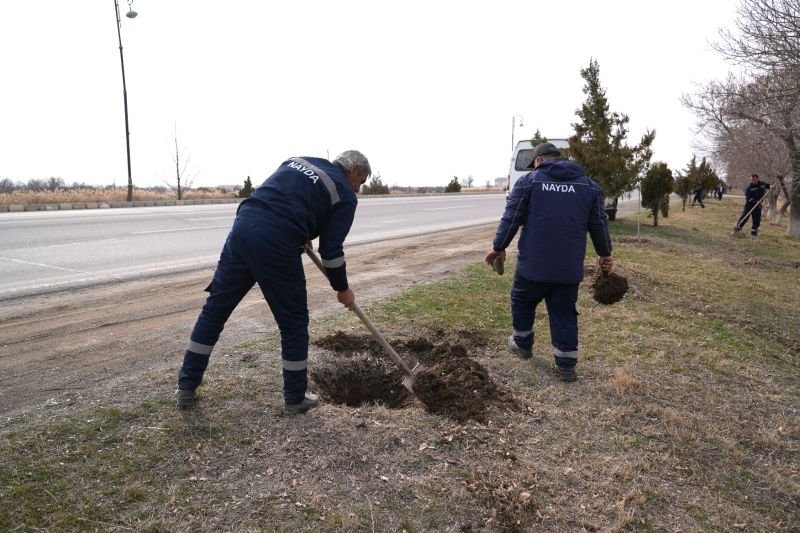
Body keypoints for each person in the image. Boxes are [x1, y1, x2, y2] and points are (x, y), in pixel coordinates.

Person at [176, 151, 372, 414]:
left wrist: (302, 229)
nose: (359, 190)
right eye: (361, 182)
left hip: (244, 227)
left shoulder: (299, 160)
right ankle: (294, 398)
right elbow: (332, 250)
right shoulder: (344, 193)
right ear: (354, 169)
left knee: (215, 311)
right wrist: (342, 288)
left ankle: (186, 388)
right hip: (277, 242)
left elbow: (286, 198)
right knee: (293, 322)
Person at [485, 142, 613, 383]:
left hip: (532, 266)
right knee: (564, 312)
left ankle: (522, 344)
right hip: (568, 269)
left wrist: (499, 247)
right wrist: (605, 253)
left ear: (539, 160)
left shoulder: (529, 182)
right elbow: (599, 223)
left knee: (522, 301)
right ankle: (566, 366)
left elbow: (512, 217)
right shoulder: (589, 186)